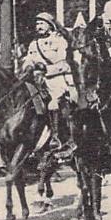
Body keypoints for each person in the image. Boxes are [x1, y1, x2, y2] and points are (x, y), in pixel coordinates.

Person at [20, 12, 77, 150]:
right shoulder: (34, 44)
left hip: (56, 79)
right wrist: (27, 67)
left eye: (42, 23)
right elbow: (28, 59)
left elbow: (64, 64)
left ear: (50, 25)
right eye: (37, 24)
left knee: (53, 104)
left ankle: (55, 137)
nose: (38, 26)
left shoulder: (59, 41)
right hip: (37, 79)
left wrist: (46, 69)